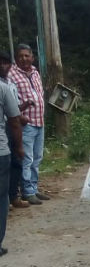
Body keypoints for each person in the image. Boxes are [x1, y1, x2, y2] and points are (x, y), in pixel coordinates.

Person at [8, 44, 48, 205]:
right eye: (20, 56)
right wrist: (20, 115)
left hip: (39, 121)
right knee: (27, 158)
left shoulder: (35, 73)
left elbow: (40, 94)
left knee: (37, 158)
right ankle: (27, 191)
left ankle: (34, 187)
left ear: (32, 57)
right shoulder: (12, 75)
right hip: (25, 124)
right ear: (16, 58)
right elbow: (10, 99)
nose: (24, 59)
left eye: (27, 56)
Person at [0, 60, 24, 258]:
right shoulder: (4, 88)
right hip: (1, 152)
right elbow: (15, 122)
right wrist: (19, 146)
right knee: (1, 198)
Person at [0, 52, 28, 209]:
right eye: (0, 63)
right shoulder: (3, 87)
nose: (3, 66)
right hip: (7, 128)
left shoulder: (10, 84)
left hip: (11, 128)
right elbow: (14, 119)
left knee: (16, 163)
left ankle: (12, 197)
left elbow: (14, 110)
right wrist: (20, 146)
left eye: (6, 63)